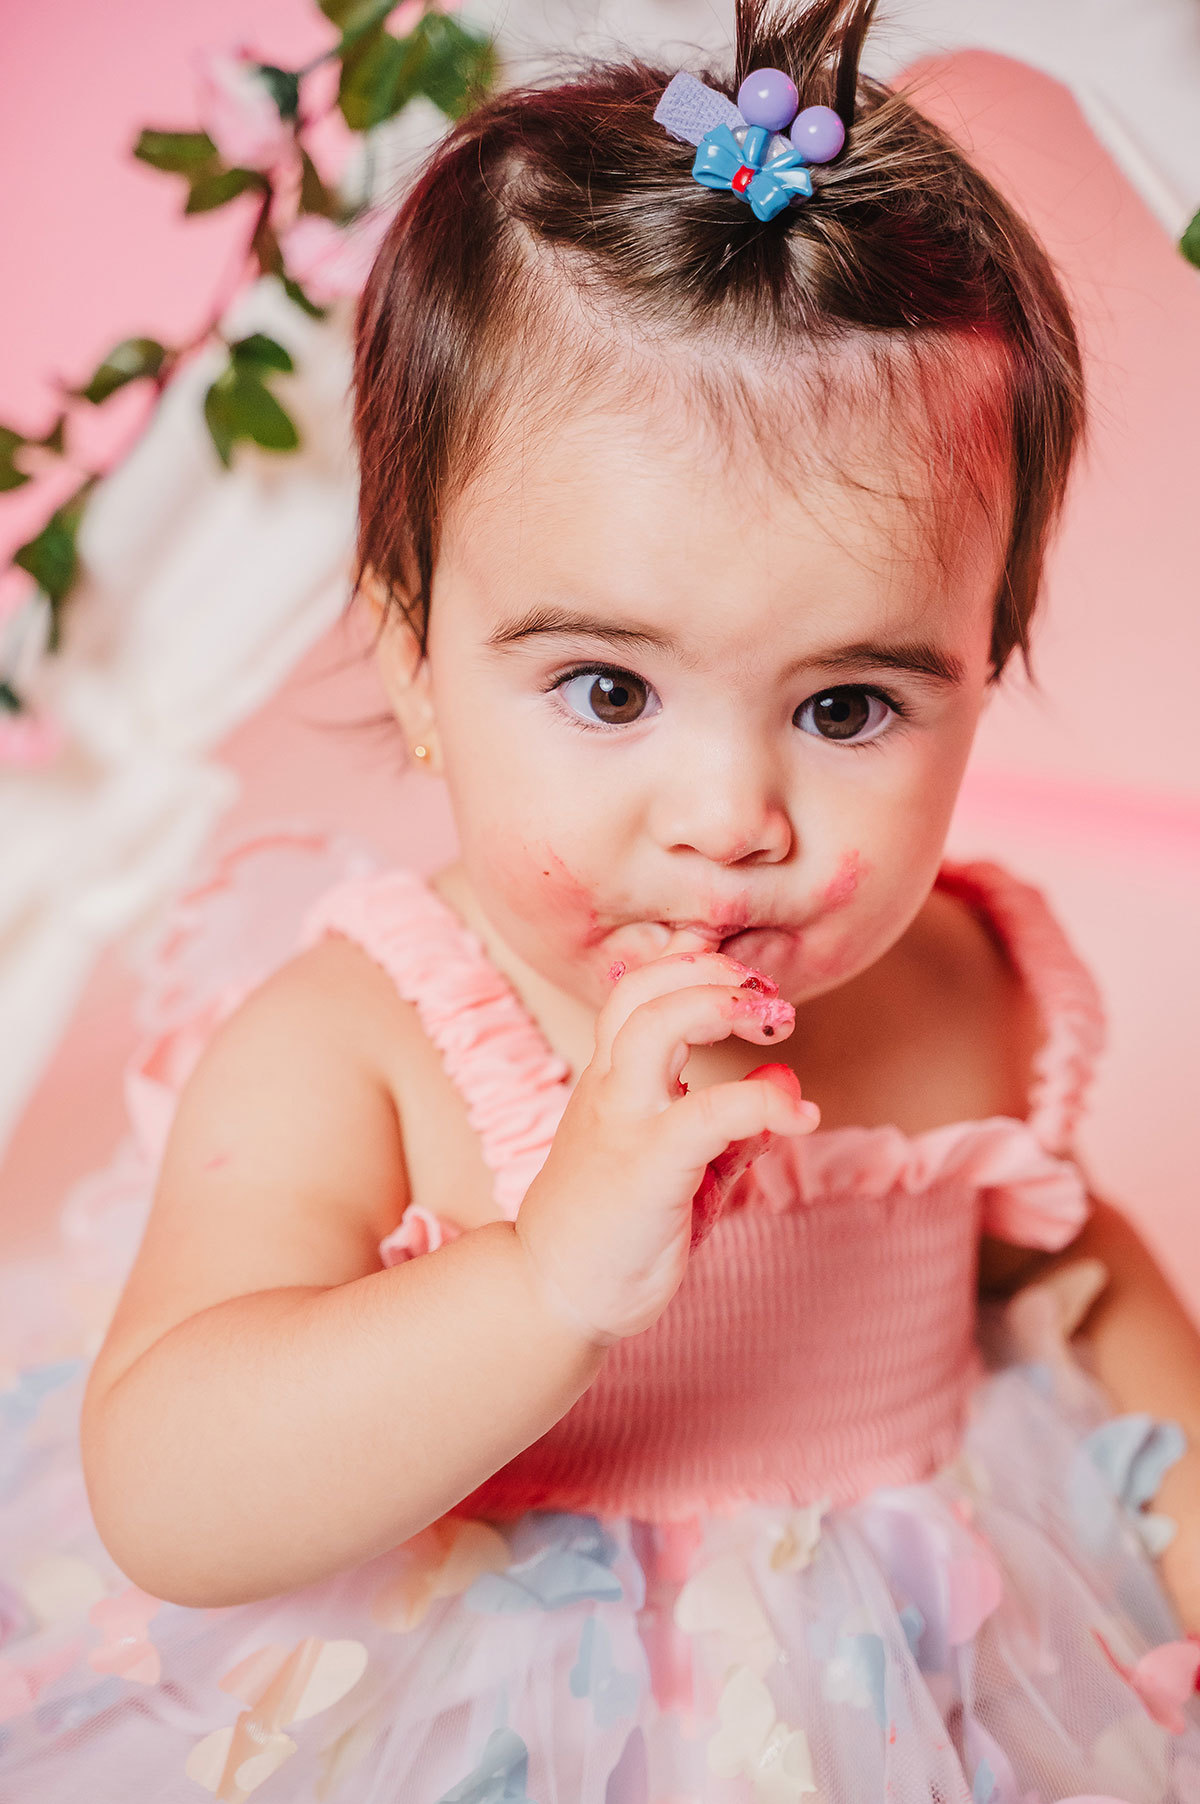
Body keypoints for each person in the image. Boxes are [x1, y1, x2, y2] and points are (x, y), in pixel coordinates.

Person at [3, 0, 1200, 1797]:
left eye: (850, 706)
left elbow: (1064, 1273)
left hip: (930, 1692)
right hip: (491, 1715)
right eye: (610, 691)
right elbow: (175, 1487)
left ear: (989, 663)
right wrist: (548, 1277)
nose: (730, 819)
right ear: (414, 664)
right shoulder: (367, 1045)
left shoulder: (960, 979)